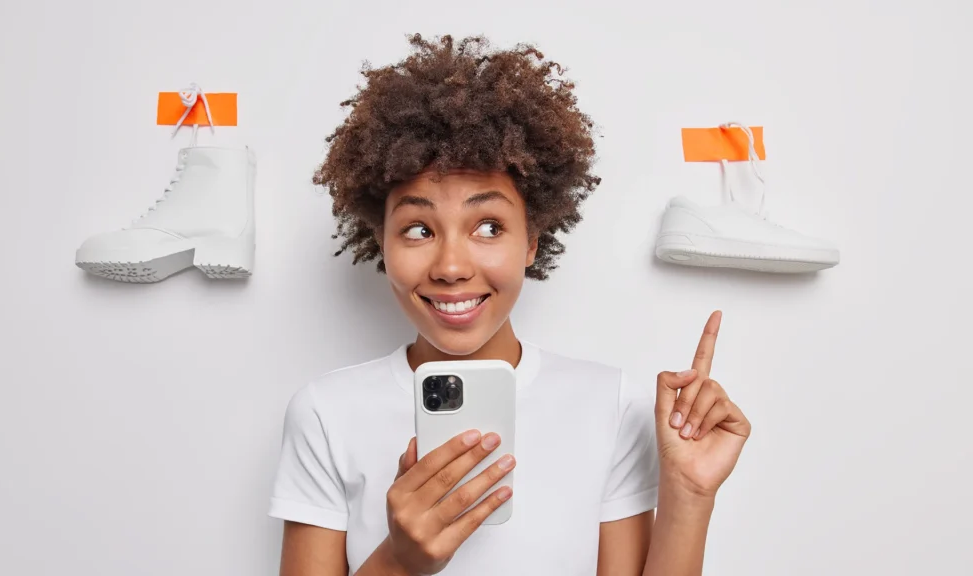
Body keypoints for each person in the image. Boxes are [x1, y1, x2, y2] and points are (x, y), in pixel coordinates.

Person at [268, 33, 751, 576]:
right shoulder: (325, 414)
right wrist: (399, 562)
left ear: (531, 241)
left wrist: (688, 496)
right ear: (381, 240)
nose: (451, 266)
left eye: (489, 226)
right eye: (419, 228)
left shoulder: (612, 405)